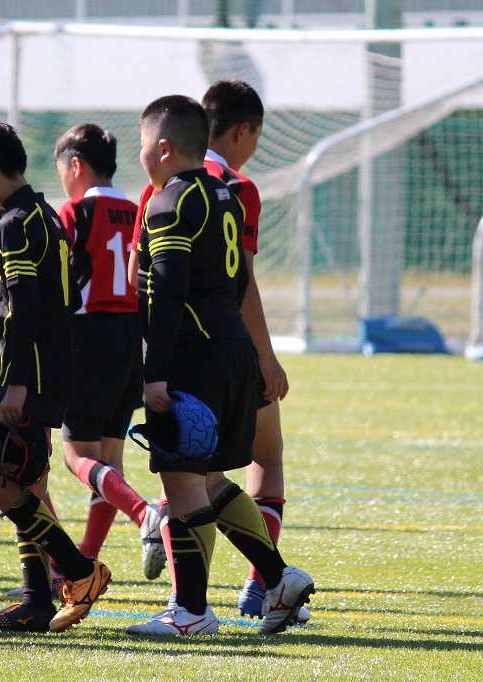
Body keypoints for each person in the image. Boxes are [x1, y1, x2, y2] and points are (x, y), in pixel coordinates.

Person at [125, 95, 314, 637]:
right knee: (208, 481)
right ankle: (279, 579)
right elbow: (240, 281)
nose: (142, 156)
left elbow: (164, 290)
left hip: (193, 357)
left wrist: (155, 372)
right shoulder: (225, 195)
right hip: (231, 352)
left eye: (143, 146)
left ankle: (189, 612)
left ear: (163, 148)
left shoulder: (168, 201)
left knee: (183, 483)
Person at [0, 120, 111, 633]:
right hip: (52, 365)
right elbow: (46, 301)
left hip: (33, 373)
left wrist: (15, 380)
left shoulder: (14, 223)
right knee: (25, 482)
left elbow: (22, 307)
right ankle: (36, 601)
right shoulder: (43, 214)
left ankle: (80, 571)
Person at [199, 80, 296, 620]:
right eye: (256, 137)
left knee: (189, 470)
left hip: (175, 351)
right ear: (242, 131)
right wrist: (266, 356)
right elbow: (244, 281)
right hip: (232, 348)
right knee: (266, 456)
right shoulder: (237, 188)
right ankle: (263, 583)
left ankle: (186, 601)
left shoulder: (162, 184)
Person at [52, 123, 162, 571]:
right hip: (130, 338)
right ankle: (86, 562)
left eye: (62, 170)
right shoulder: (138, 209)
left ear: (76, 165)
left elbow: (60, 284)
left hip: (88, 337)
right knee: (110, 460)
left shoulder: (74, 212)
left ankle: (144, 513)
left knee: (76, 455)